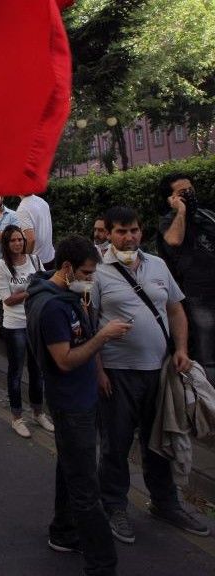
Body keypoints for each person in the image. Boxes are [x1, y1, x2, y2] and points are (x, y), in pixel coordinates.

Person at [92, 206, 209, 542]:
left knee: (158, 442)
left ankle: (165, 502)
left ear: (141, 231)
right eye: (121, 231)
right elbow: (88, 324)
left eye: (134, 230)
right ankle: (114, 506)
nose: (129, 237)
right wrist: (98, 372)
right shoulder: (97, 271)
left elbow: (175, 309)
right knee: (115, 444)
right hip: (117, 374)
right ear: (108, 234)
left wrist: (181, 349)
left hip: (159, 372)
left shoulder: (157, 265)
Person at [26, 235, 123, 576]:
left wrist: (98, 371)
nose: (90, 279)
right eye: (86, 272)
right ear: (67, 268)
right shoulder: (53, 307)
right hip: (70, 405)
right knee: (85, 487)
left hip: (81, 399)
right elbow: (65, 360)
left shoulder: (67, 296)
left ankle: (64, 532)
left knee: (71, 470)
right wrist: (103, 336)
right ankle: (102, 563)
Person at [0, 225, 52, 438]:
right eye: (13, 240)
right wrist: (32, 290)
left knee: (38, 371)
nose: (18, 243)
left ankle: (38, 412)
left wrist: (34, 291)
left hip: (35, 322)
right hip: (15, 324)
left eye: (20, 239)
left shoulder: (34, 261)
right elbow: (8, 300)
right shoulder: (1, 267)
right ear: (6, 244)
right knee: (16, 372)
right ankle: (17, 417)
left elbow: (47, 284)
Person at [158, 172, 215, 384]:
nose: (189, 194)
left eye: (190, 189)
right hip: (196, 296)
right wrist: (181, 211)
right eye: (183, 192)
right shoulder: (169, 221)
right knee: (206, 351)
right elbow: (173, 240)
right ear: (171, 198)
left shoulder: (206, 215)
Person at [17, 193, 56, 269]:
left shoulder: (22, 209)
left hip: (37, 262)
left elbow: (31, 240)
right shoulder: (42, 201)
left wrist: (26, 260)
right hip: (50, 256)